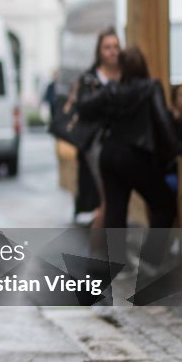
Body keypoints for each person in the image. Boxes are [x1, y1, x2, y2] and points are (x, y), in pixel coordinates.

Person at [78, 46, 180, 229]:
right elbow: (163, 123)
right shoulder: (151, 87)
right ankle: (150, 256)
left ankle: (114, 258)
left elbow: (84, 107)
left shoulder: (111, 89)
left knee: (115, 212)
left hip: (109, 154)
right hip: (136, 156)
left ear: (121, 67)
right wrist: (176, 149)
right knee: (165, 205)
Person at [73, 28, 121, 227]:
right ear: (99, 51)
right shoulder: (90, 78)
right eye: (107, 47)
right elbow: (83, 106)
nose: (112, 52)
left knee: (116, 198)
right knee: (107, 197)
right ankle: (101, 247)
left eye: (116, 47)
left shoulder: (126, 75)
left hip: (123, 143)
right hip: (98, 143)